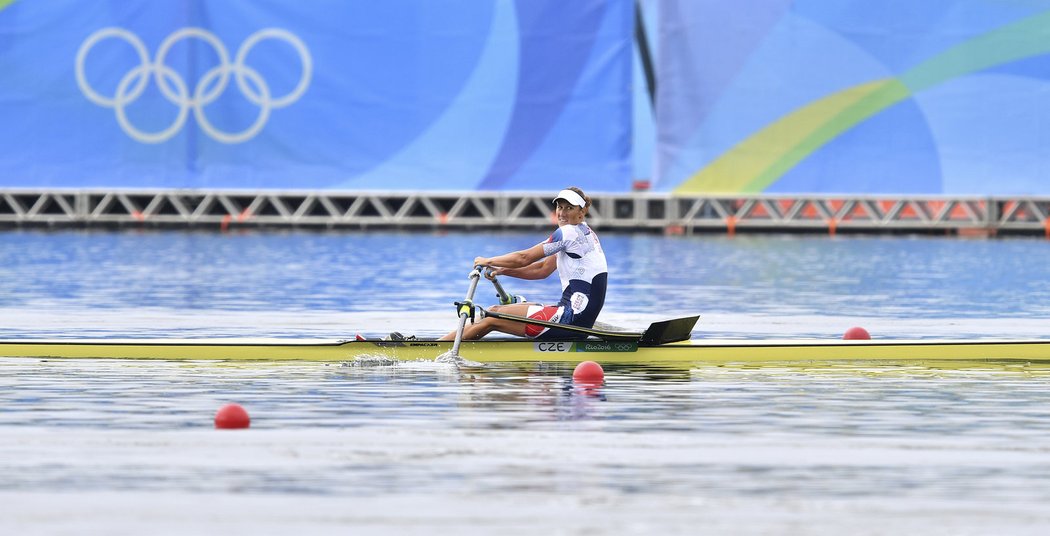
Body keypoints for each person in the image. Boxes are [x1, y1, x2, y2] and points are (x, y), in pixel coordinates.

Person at [439, 187, 608, 341]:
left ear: (581, 213)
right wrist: (502, 270)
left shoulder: (568, 233)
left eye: (569, 208)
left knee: (492, 315)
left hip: (570, 319)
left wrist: (487, 261)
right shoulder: (585, 233)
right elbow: (541, 269)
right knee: (507, 309)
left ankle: (435, 347)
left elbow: (524, 258)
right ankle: (441, 343)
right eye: (559, 207)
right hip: (578, 318)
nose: (562, 213)